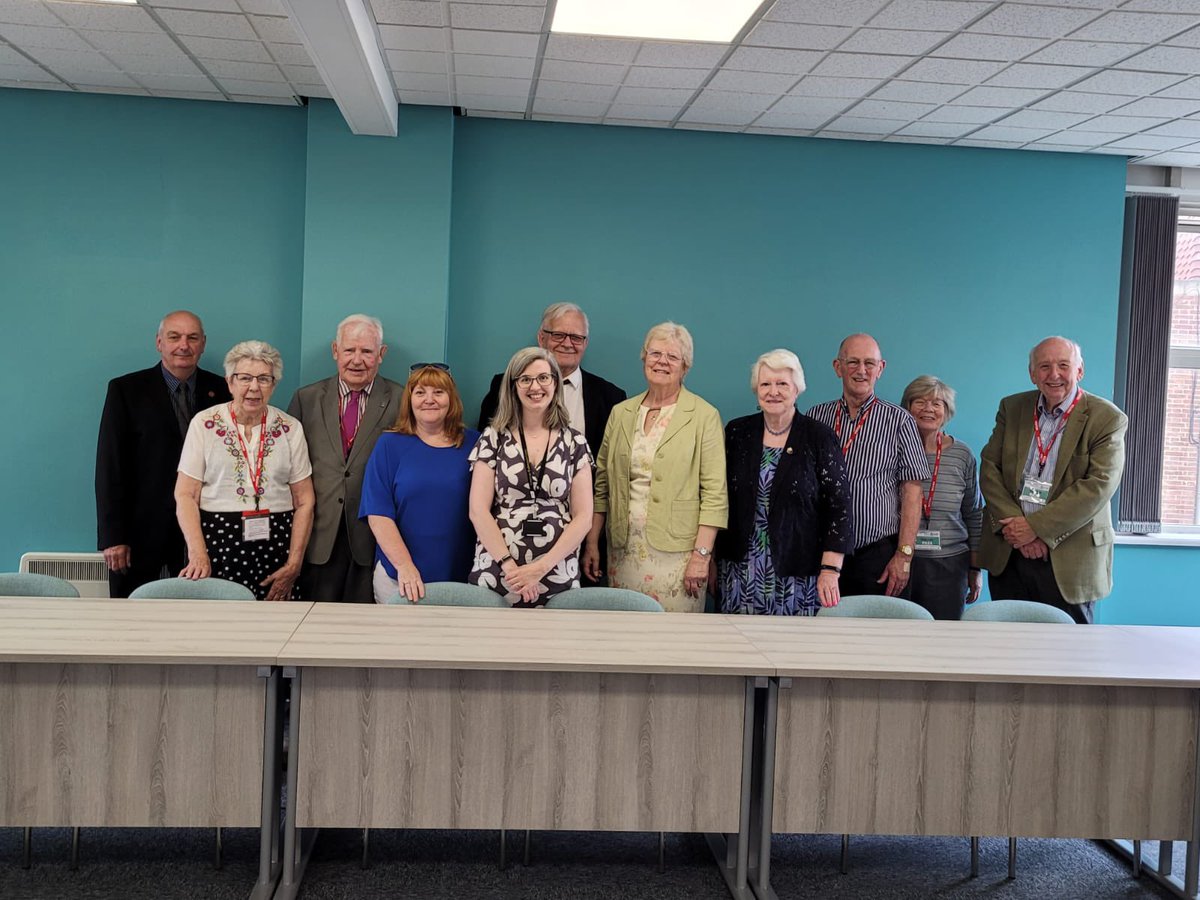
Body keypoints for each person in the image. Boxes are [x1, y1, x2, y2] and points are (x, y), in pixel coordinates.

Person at [979, 336, 1127, 624]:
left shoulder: (1106, 418)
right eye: (1044, 366)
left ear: (1079, 371)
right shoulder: (1013, 408)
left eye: (1063, 365)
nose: (1054, 374)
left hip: (1069, 558)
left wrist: (1035, 528)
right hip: (1011, 553)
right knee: (1009, 652)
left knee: (1068, 657)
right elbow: (990, 467)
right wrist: (1018, 529)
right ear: (1033, 374)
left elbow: (1098, 486)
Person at [584, 322, 727, 613]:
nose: (662, 361)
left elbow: (714, 493)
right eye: (655, 353)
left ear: (685, 366)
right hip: (622, 551)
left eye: (672, 357)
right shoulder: (621, 413)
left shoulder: (704, 415)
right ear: (644, 358)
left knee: (673, 644)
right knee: (625, 638)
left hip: (678, 558)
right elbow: (602, 485)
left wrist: (702, 556)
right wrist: (591, 543)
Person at [96, 310, 231, 598]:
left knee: (202, 615)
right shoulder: (126, 390)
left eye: (192, 337)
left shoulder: (223, 390)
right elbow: (110, 467)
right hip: (140, 531)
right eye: (174, 337)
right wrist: (113, 537)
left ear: (203, 344)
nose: (184, 345)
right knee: (131, 618)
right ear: (159, 342)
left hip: (206, 528)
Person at [175, 341, 315, 601]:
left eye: (264, 379)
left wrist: (294, 564)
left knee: (276, 630)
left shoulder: (290, 427)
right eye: (245, 378)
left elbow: (305, 500)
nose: (254, 387)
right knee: (223, 630)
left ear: (274, 385)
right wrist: (197, 553)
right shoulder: (204, 424)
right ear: (229, 382)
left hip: (277, 545)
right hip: (217, 543)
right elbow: (185, 495)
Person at [715, 350, 852, 615]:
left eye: (782, 384)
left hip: (797, 573)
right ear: (756, 389)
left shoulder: (819, 437)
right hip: (739, 570)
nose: (773, 391)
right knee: (735, 647)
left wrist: (830, 569)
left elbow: (839, 507)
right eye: (766, 384)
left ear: (797, 389)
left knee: (792, 649)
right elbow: (718, 497)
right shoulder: (737, 432)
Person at [286, 315, 402, 603]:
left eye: (367, 351)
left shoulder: (402, 400)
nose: (357, 360)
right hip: (318, 535)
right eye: (350, 350)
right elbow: (287, 468)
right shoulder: (306, 398)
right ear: (335, 351)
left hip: (373, 535)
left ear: (381, 354)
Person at [468, 347, 594, 607]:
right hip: (499, 571)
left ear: (555, 383)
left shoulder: (575, 442)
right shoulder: (493, 438)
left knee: (554, 646)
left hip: (556, 572)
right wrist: (510, 568)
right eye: (525, 379)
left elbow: (584, 517)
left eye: (543, 378)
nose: (535, 386)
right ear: (513, 386)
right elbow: (478, 510)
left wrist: (540, 568)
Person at [806, 333, 928, 599]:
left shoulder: (899, 420)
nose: (861, 371)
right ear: (838, 367)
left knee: (875, 637)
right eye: (853, 362)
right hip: (821, 553)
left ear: (880, 369)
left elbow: (913, 491)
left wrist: (904, 555)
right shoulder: (815, 417)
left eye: (869, 363)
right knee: (820, 635)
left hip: (877, 556)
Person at [360, 364, 480, 603]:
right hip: (399, 577)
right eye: (420, 392)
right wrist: (405, 566)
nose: (429, 400)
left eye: (438, 392)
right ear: (409, 399)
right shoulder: (389, 445)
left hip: (462, 576)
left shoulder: (476, 444)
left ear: (451, 398)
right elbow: (378, 514)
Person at [477, 302, 625, 456]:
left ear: (585, 343)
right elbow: (486, 450)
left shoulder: (611, 398)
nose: (567, 344)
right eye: (558, 335)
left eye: (576, 337)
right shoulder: (505, 385)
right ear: (542, 338)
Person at [901, 375, 984, 620]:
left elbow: (974, 512)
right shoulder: (893, 449)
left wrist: (975, 567)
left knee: (944, 639)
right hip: (900, 561)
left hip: (949, 565)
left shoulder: (962, 454)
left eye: (937, 403)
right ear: (907, 407)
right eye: (920, 401)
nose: (928, 409)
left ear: (947, 411)